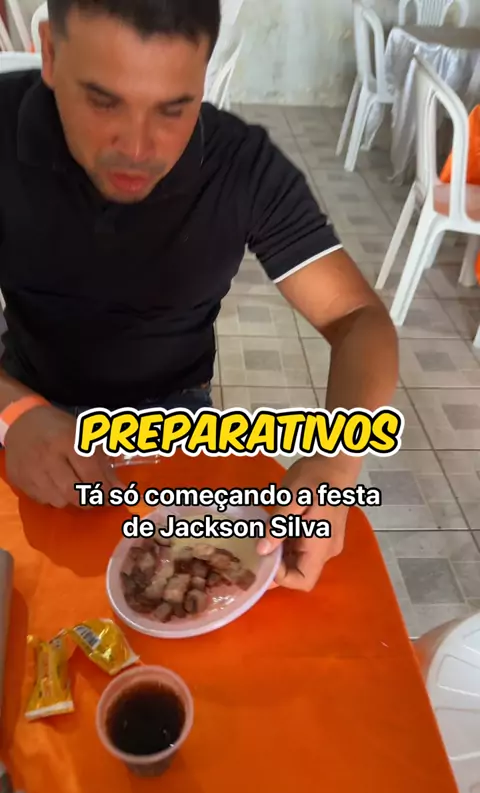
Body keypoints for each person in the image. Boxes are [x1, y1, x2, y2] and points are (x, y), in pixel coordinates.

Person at [0, 0, 398, 591]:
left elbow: (357, 316)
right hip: (25, 404)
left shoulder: (240, 165)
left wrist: (335, 466)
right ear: (51, 55)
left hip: (176, 424)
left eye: (173, 108)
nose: (137, 149)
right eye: (103, 101)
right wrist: (13, 413)